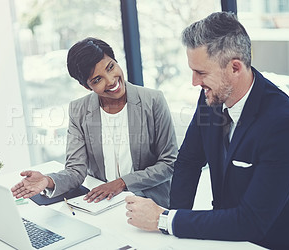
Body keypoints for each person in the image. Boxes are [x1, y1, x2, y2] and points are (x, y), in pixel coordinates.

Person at [125, 12, 289, 249]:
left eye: (201, 73)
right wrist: (172, 230)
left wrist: (164, 220)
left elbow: (253, 221)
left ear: (235, 68)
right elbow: (189, 161)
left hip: (279, 240)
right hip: (231, 232)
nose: (194, 82)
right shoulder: (212, 98)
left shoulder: (284, 125)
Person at [11, 37, 177, 207]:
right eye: (97, 79)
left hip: (149, 203)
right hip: (104, 204)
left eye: (110, 67)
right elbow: (75, 171)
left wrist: (121, 183)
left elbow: (169, 163)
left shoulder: (153, 100)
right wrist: (47, 180)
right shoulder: (79, 110)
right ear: (87, 86)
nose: (111, 80)